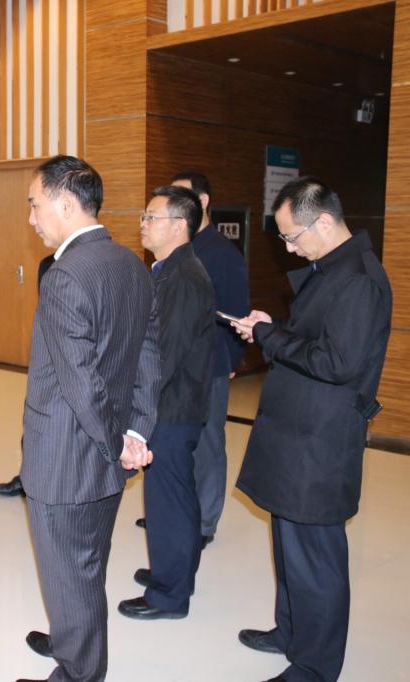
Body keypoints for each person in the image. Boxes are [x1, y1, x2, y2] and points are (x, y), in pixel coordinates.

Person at [230, 177, 391, 682]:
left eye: (291, 236)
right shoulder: (331, 268)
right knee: (289, 543)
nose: (288, 247)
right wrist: (271, 326)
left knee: (316, 557)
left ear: (322, 221)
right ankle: (292, 632)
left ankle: (316, 666)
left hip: (319, 441)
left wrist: (269, 337)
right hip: (297, 432)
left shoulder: (358, 279)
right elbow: (315, 336)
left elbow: (338, 362)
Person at [15, 155, 159, 682]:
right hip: (107, 452)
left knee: (68, 569)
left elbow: (79, 379)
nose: (31, 217)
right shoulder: (131, 264)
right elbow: (149, 354)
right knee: (86, 563)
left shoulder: (65, 276)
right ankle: (72, 639)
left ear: (65, 203)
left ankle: (78, 672)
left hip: (67, 455)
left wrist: (116, 441)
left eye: (35, 204)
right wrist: (136, 429)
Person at [134, 172, 250, 546]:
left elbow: (235, 312)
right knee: (173, 448)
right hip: (176, 366)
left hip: (208, 366)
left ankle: (203, 521)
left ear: (200, 203)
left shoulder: (221, 254)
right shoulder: (173, 254)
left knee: (206, 446)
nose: (147, 222)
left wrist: (230, 360)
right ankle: (173, 514)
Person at [118, 185, 216, 621]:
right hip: (173, 404)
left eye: (151, 217)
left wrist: (135, 410)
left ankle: (169, 595)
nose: (143, 223)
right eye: (144, 215)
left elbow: (163, 354)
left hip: (171, 408)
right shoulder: (168, 270)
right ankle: (174, 572)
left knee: (169, 500)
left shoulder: (183, 278)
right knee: (172, 496)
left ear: (179, 225)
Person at [0, 253, 55, 498]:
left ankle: (52, 485)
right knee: (33, 419)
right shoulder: (48, 263)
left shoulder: (91, 259)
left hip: (81, 360)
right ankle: (28, 478)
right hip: (47, 356)